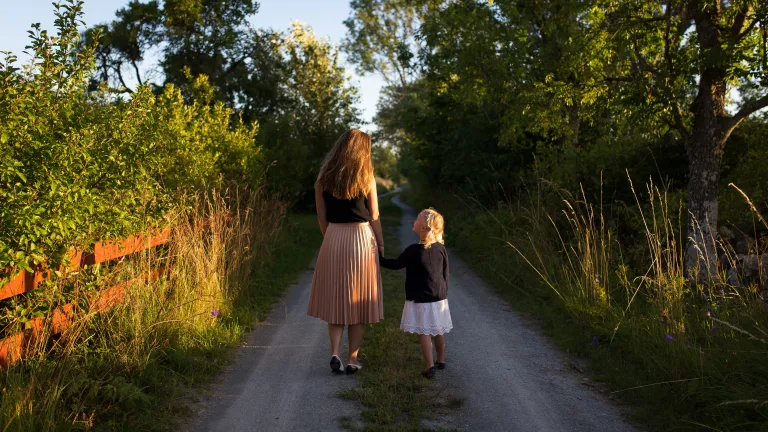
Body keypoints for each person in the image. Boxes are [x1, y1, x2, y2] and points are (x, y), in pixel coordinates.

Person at [307, 129, 385, 375]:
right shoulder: (366, 176)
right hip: (361, 238)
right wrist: (381, 244)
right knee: (358, 301)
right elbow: (374, 216)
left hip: (333, 237)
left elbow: (322, 217)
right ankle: (352, 359)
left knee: (336, 299)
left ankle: (334, 353)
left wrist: (330, 238)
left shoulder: (323, 179)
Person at [379, 208, 452, 378]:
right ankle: (441, 361)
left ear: (424, 228)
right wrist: (443, 292)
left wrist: (378, 258)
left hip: (421, 298)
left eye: (417, 219)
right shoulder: (441, 248)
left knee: (424, 332)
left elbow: (396, 264)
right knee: (438, 330)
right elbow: (445, 273)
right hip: (439, 297)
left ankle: (429, 367)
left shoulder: (414, 250)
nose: (414, 221)